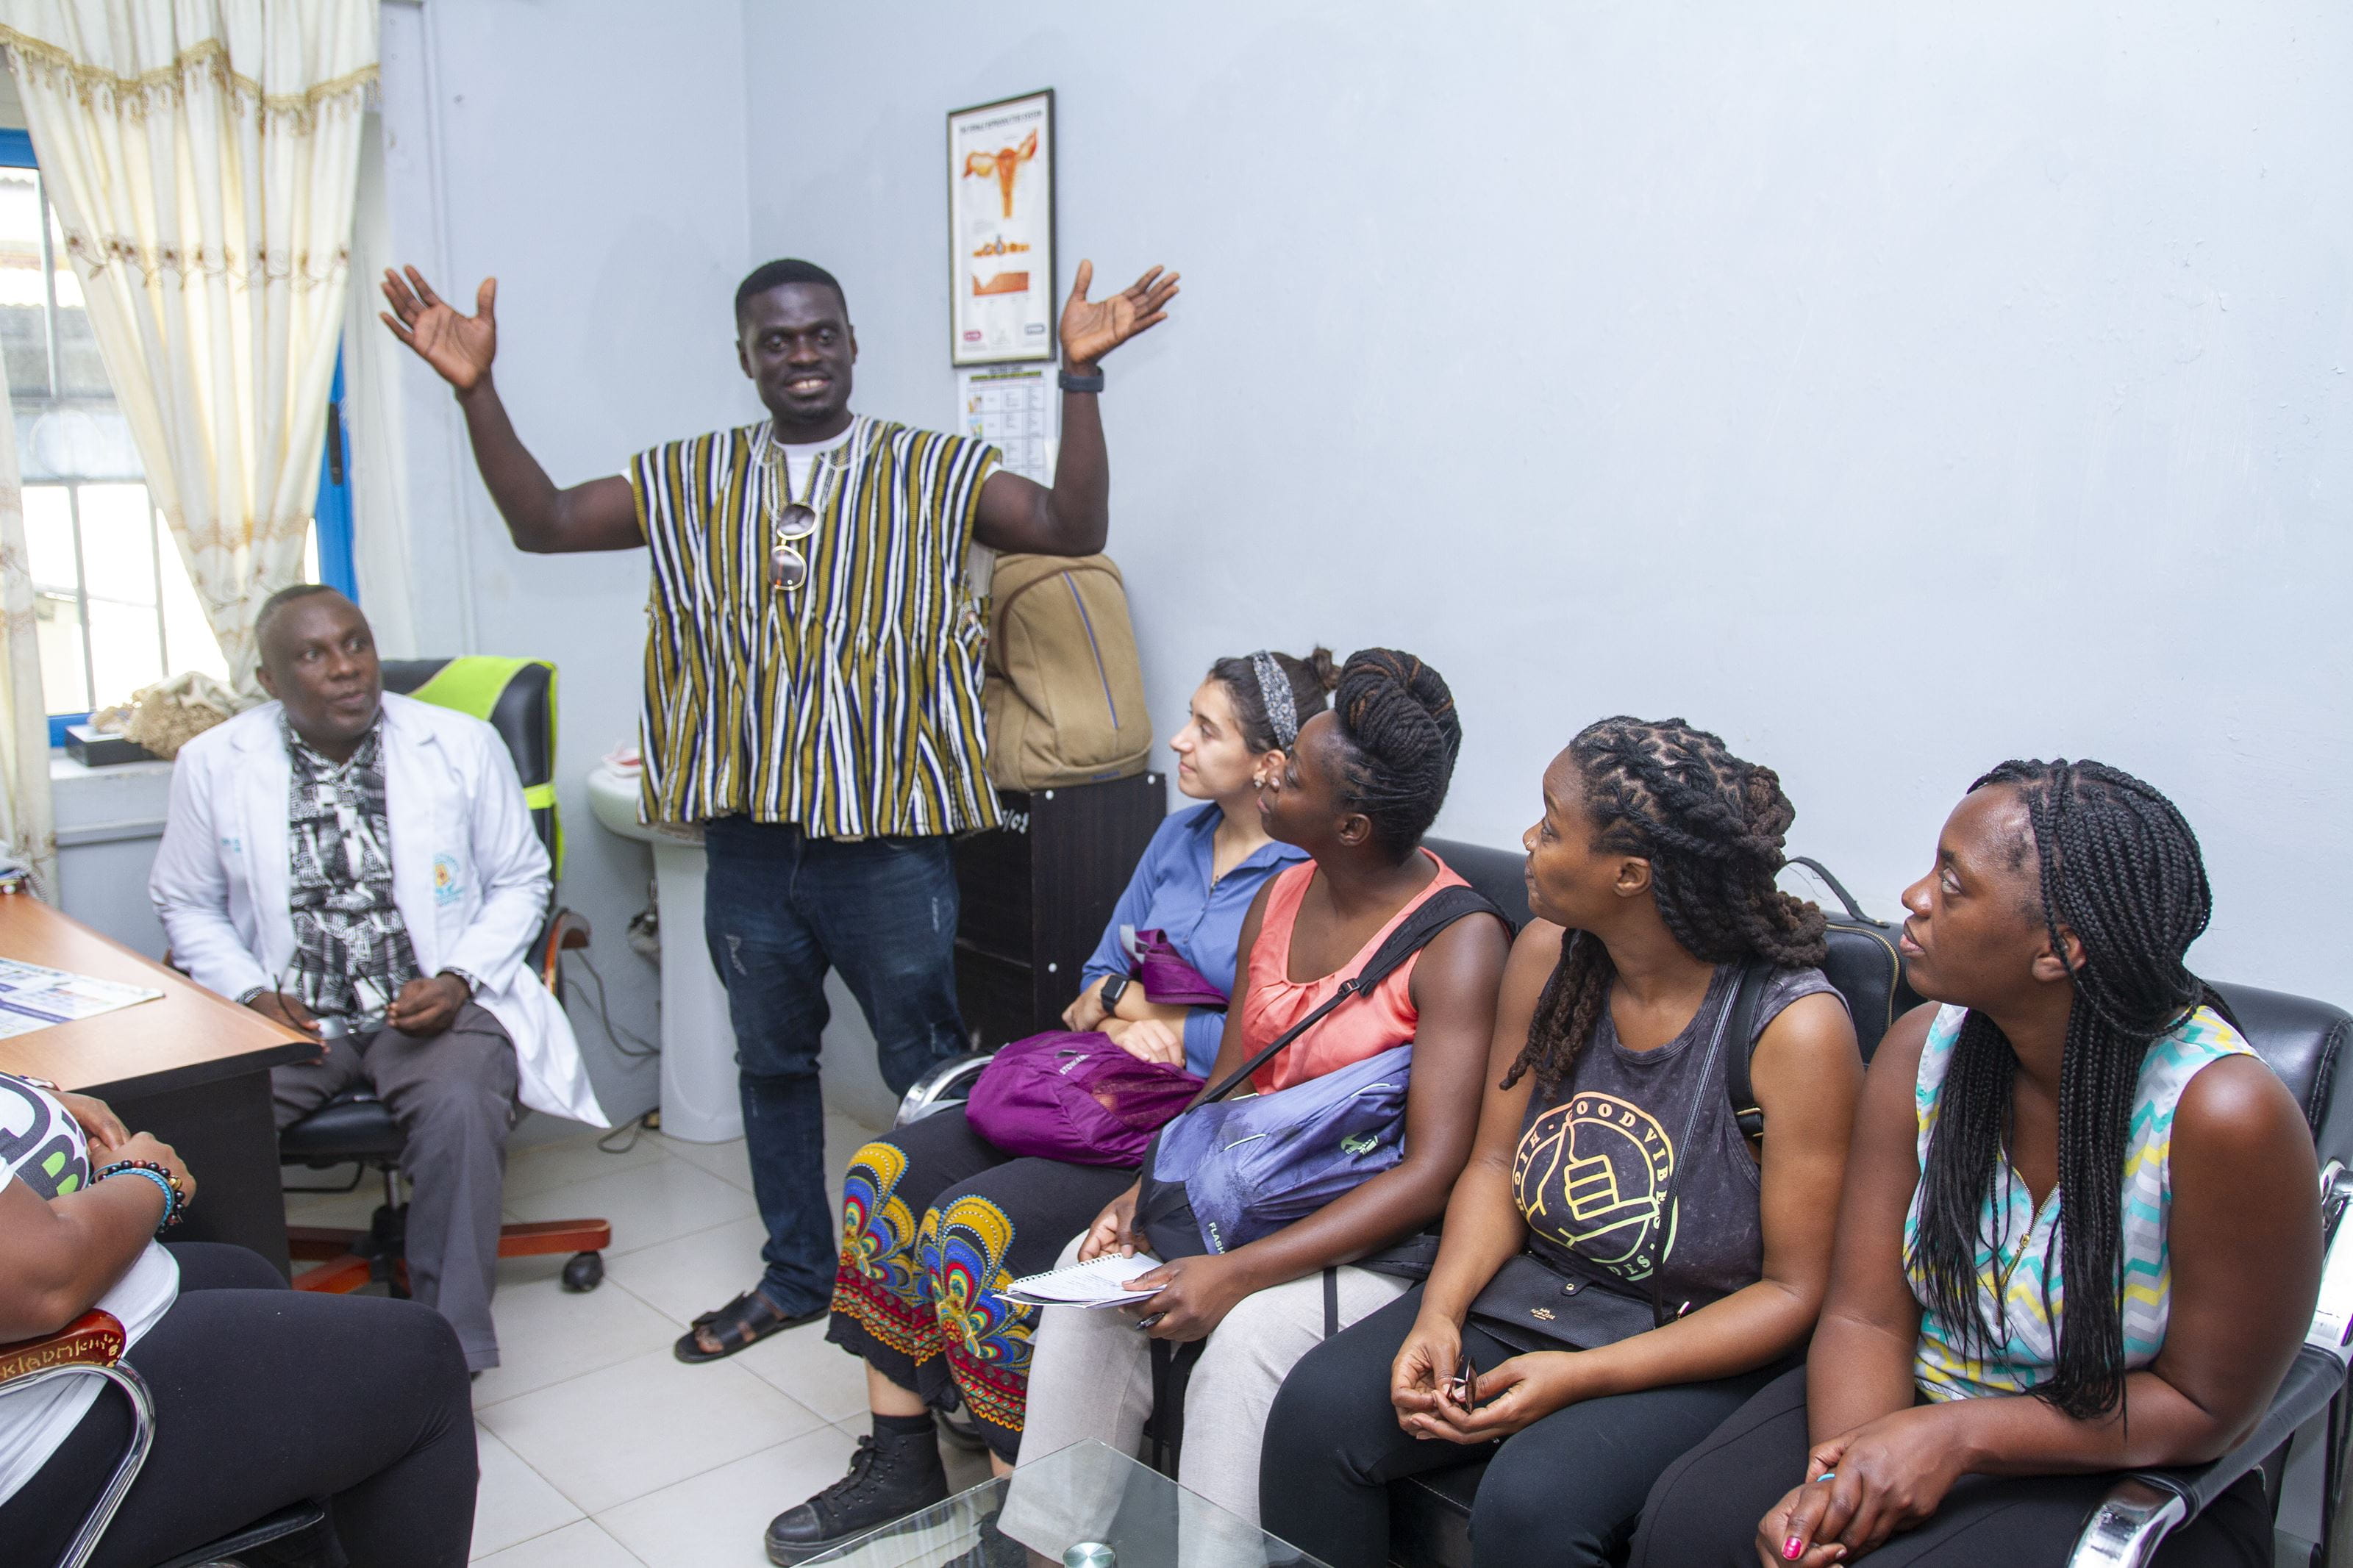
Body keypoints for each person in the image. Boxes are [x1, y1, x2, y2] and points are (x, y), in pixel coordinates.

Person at [379, 252, 1181, 1363]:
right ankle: (801, 1274)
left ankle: (942, 1292)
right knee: (771, 1068)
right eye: (777, 339)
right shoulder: (691, 476)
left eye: (821, 334)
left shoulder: (930, 469)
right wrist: (476, 390)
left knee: (931, 1070)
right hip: (753, 846)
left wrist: (1079, 381)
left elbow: (1068, 522)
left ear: (852, 344)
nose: (801, 354)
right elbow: (547, 520)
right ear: (747, 357)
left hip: (891, 846)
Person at [1632, 760, 2322, 1568]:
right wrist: (1851, 1477)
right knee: (1687, 1529)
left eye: (1951, 883)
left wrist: (1954, 1437)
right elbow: (1864, 1315)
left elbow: (2205, 1404)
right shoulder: (1923, 1048)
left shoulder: (2220, 1114)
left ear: (2056, 952)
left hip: (2117, 1460)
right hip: (1917, 1397)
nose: (1913, 897)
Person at [1259, 717, 1864, 1567]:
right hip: (1533, 1297)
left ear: (1629, 875)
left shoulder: (1791, 1029)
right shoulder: (1548, 953)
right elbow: (1496, 1163)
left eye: (1550, 827)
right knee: (1316, 1411)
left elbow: (1792, 1293)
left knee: (1531, 1503)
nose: (1527, 842)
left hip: (1688, 1339)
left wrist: (1577, 1378)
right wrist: (1438, 1314)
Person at [1007, 648, 1513, 1530]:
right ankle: (1051, 1551)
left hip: (1371, 1237)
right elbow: (1228, 1085)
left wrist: (1235, 1276)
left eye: (1295, 769)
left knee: (1243, 1344)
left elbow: (1431, 1173)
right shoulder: (1278, 893)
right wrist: (1140, 1197)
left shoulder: (1459, 943)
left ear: (1350, 825)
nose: (1269, 768)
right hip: (1239, 1201)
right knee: (1089, 1287)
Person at [150, 585, 604, 1372]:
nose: (346, 669)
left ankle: (441, 1356)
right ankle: (245, 1345)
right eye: (314, 655)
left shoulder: (461, 744)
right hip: (288, 1021)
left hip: (428, 1004)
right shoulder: (214, 762)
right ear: (269, 680)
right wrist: (252, 993)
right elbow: (185, 901)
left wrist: (461, 977)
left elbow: (522, 880)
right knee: (198, 1127)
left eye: (356, 644)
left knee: (460, 1105)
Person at [0, 1073, 476, 1567]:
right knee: (423, 1360)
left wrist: (30, 1099)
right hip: (27, 1449)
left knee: (248, 1275)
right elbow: (44, 1282)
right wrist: (145, 1179)